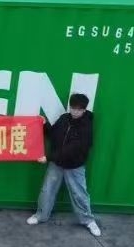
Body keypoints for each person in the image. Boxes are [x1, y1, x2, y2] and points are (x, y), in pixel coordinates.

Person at [27, 93, 100, 238]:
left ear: (84, 110)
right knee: (47, 190)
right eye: (73, 108)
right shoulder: (64, 119)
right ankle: (41, 215)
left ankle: (88, 221)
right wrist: (44, 124)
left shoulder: (86, 127)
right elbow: (53, 134)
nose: (75, 112)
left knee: (79, 194)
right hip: (57, 163)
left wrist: (48, 157)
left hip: (74, 166)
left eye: (79, 109)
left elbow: (73, 149)